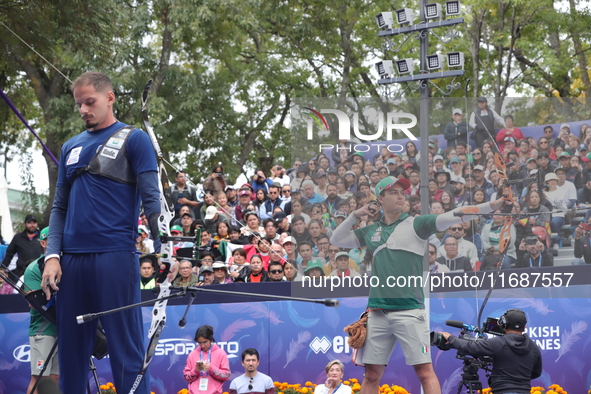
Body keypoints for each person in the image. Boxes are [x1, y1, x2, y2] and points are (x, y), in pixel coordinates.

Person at [42, 72, 161, 394]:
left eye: (89, 102)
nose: (83, 110)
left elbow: (152, 197)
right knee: (72, 355)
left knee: (127, 352)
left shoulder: (134, 139)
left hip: (115, 257)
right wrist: (53, 256)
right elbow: (59, 209)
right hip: (71, 263)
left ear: (110, 98)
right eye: (78, 104)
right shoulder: (70, 147)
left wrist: (161, 245)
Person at [331, 176, 506, 394]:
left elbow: (454, 215)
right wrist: (355, 215)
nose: (400, 196)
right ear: (380, 199)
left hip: (410, 310)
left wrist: (491, 205)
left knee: (424, 371)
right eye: (393, 192)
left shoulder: (416, 224)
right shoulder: (371, 231)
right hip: (377, 311)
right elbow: (336, 240)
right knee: (372, 375)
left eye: (401, 192)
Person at [441, 309, 542, 394]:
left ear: (503, 324)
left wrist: (450, 338)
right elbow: (536, 373)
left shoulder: (499, 343)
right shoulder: (534, 347)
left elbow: (470, 347)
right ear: (524, 327)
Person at [23, 227, 59, 394]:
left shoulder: (64, 264)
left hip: (61, 328)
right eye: (52, 239)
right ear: (43, 243)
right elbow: (32, 301)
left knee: (54, 379)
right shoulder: (32, 268)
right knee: (39, 380)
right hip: (43, 329)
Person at [183, 325, 230, 394]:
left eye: (205, 342)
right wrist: (196, 370)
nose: (202, 345)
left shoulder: (221, 353)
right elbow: (186, 378)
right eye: (199, 343)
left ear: (210, 340)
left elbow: (226, 376)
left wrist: (211, 368)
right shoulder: (192, 355)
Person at [2, 214, 43, 280]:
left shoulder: (43, 237)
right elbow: (9, 254)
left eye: (34, 223)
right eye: (29, 222)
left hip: (38, 273)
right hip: (20, 273)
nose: (32, 225)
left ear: (37, 224)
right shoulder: (18, 237)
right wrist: (2, 268)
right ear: (25, 224)